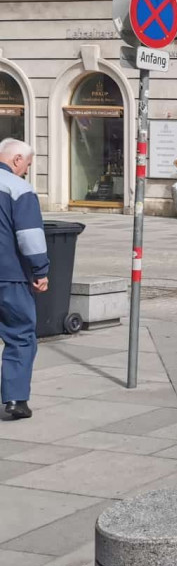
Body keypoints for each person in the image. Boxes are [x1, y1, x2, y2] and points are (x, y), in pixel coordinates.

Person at [0, 139, 47, 421]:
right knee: (20, 336)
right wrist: (40, 270)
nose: (26, 170)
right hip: (10, 276)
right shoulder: (18, 188)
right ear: (17, 159)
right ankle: (16, 400)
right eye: (27, 164)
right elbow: (29, 235)